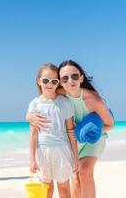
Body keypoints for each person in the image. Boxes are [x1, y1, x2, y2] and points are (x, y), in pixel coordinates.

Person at [28, 60, 114, 198]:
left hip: (94, 138)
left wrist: (87, 133)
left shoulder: (92, 99)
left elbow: (110, 124)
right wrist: (29, 116)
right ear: (60, 82)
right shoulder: (61, 93)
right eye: (65, 78)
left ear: (81, 78)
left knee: (85, 170)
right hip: (73, 139)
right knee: (75, 177)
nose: (70, 81)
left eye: (74, 76)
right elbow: (42, 101)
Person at [27, 63, 79, 198]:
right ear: (39, 81)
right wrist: (32, 159)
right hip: (42, 151)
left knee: (64, 188)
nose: (49, 84)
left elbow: (71, 132)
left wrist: (76, 158)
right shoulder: (35, 104)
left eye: (54, 81)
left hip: (62, 150)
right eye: (45, 80)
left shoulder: (65, 103)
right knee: (47, 189)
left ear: (58, 83)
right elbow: (33, 134)